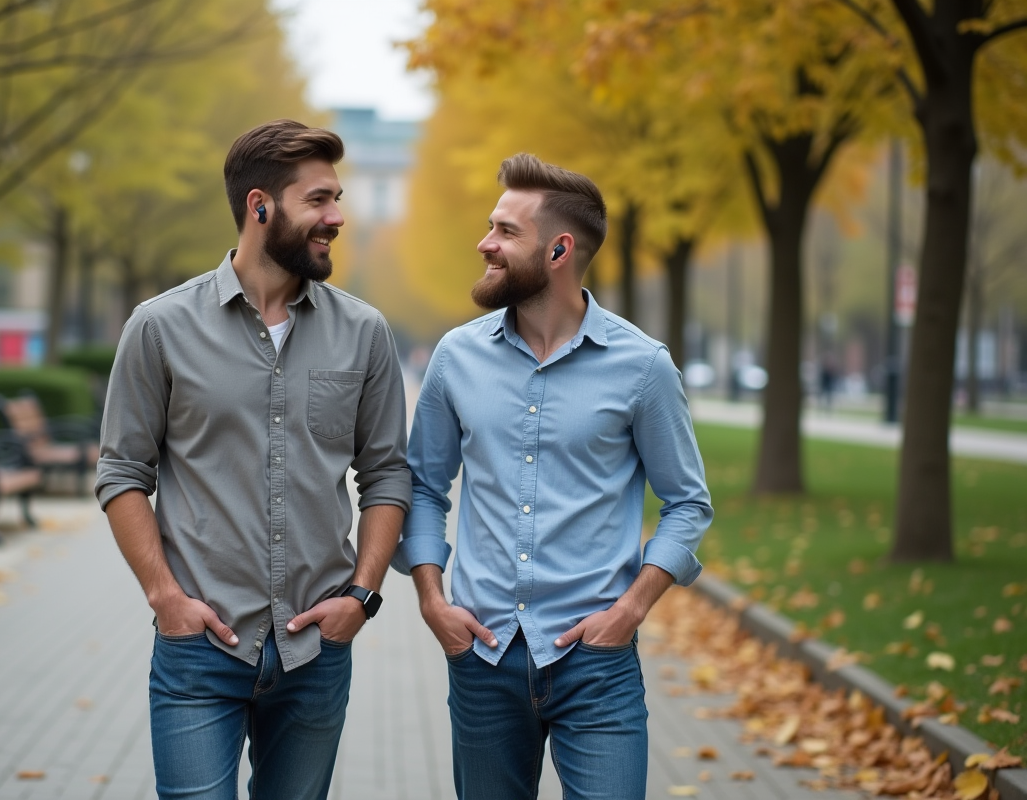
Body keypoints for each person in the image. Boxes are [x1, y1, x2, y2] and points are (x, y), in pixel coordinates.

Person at [96, 119, 411, 800]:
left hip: (315, 654)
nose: (338, 218)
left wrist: (360, 596)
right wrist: (164, 598)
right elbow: (122, 471)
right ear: (259, 206)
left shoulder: (364, 333)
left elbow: (386, 473)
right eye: (320, 200)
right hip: (199, 648)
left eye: (338, 199)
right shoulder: (159, 326)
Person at [393, 153, 713, 800]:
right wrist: (432, 599)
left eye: (506, 232)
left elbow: (687, 503)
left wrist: (632, 608)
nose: (485, 243)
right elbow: (423, 485)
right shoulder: (456, 358)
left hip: (597, 664)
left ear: (560, 249)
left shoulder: (643, 368)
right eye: (491, 226)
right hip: (481, 659)